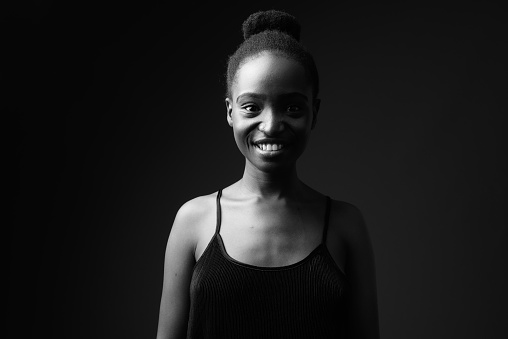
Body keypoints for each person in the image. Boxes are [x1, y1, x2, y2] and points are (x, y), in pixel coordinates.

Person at [156, 9, 379, 339]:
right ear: (230, 111)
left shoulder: (346, 225)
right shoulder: (194, 220)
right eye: (252, 107)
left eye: (292, 107)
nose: (272, 125)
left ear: (313, 112)